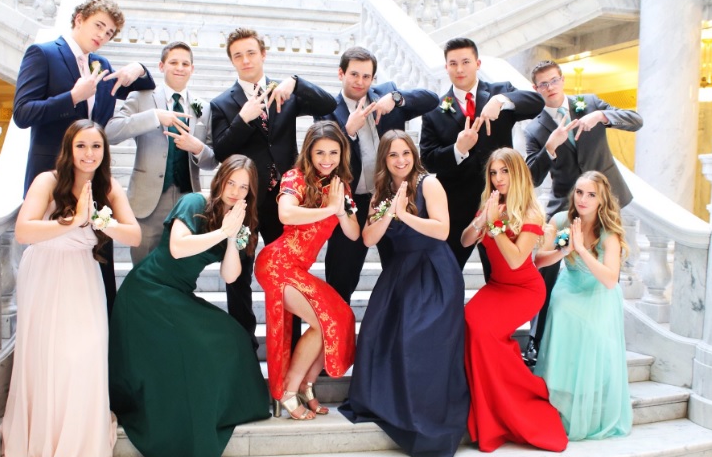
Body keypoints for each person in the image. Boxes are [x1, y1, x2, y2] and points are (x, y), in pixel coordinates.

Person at [0, 119, 141, 457]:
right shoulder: (47, 181)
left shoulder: (109, 187)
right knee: (49, 355)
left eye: (96, 146)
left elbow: (135, 236)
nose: (88, 153)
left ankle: (78, 438)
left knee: (84, 354)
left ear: (104, 151)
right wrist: (72, 221)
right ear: (69, 148)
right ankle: (44, 438)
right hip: (45, 271)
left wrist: (102, 222)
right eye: (81, 146)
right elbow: (24, 231)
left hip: (83, 273)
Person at [108, 155, 271, 457]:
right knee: (198, 345)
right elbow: (178, 247)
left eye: (244, 187)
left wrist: (233, 239)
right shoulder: (194, 202)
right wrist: (222, 232)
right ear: (220, 179)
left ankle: (230, 407)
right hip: (148, 290)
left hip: (177, 294)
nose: (235, 191)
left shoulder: (240, 223)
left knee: (233, 336)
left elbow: (230, 276)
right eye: (231, 182)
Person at [13, 0, 155, 314]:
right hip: (54, 180)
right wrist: (72, 97)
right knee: (54, 276)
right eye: (98, 26)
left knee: (100, 271)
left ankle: (100, 338)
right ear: (79, 18)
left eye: (109, 33)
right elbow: (22, 113)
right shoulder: (43, 54)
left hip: (93, 180)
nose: (102, 35)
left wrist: (139, 68)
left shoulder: (101, 66)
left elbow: (145, 83)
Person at [339, 131, 469, 457]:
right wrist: (387, 213)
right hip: (400, 269)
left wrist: (405, 214)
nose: (400, 160)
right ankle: (389, 401)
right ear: (384, 159)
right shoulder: (380, 193)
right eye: (393, 155)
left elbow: (442, 230)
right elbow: (368, 238)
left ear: (414, 155)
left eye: (406, 153)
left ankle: (423, 409)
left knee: (416, 335)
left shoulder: (429, 184)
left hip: (434, 269)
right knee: (376, 330)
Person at [211, 27, 336, 350]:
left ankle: (289, 349)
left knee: (288, 275)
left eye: (251, 53)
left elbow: (328, 102)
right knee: (239, 276)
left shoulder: (284, 92)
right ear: (232, 61)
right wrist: (242, 119)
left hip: (284, 202)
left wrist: (296, 81)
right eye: (238, 55)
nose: (245, 60)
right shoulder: (222, 103)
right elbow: (220, 152)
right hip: (245, 203)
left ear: (263, 55)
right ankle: (244, 348)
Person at [524, 59, 642, 356]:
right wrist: (550, 147)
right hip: (566, 205)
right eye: (543, 84)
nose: (550, 87)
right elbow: (532, 177)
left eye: (553, 80)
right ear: (536, 89)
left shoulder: (588, 103)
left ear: (562, 79)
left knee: (608, 263)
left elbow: (636, 120)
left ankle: (604, 336)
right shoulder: (535, 128)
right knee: (548, 267)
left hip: (605, 201)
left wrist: (602, 116)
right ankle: (537, 338)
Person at [459, 147, 567, 453]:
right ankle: (488, 400)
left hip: (524, 291)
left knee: (484, 333)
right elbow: (465, 241)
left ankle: (521, 395)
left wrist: (494, 226)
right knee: (468, 322)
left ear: (517, 173)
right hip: (497, 286)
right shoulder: (491, 205)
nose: (498, 178)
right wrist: (482, 221)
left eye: (504, 171)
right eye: (493, 172)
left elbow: (517, 259)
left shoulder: (530, 212)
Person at [315, 46, 438, 304]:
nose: (360, 82)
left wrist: (396, 98)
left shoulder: (386, 95)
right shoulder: (328, 110)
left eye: (366, 76)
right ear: (341, 73)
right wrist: (347, 132)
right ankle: (339, 327)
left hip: (391, 197)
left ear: (373, 78)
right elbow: (323, 160)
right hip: (351, 203)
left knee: (400, 272)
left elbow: (431, 99)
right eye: (354, 74)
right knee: (341, 278)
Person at [255, 121, 359, 420]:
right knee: (320, 320)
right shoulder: (295, 177)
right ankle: (289, 390)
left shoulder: (340, 187)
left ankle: (306, 385)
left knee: (342, 316)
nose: (327, 159)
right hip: (277, 264)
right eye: (320, 153)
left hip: (298, 269)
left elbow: (353, 233)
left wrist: (340, 209)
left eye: (333, 153)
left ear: (342, 154)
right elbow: (286, 213)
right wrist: (329, 209)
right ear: (309, 153)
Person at [420, 37, 543, 273]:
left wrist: (500, 101)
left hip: (502, 203)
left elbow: (536, 102)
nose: (459, 69)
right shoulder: (434, 110)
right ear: (446, 67)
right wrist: (458, 149)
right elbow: (428, 160)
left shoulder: (501, 92)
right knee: (447, 273)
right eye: (453, 63)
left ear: (477, 64)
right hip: (456, 207)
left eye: (465, 62)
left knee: (501, 272)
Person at [534, 171, 633, 441]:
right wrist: (563, 250)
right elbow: (539, 260)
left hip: (598, 292)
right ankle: (560, 401)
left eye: (591, 195)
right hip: (570, 285)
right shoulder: (561, 221)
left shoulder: (608, 232)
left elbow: (610, 280)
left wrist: (582, 249)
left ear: (601, 200)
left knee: (589, 326)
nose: (583, 199)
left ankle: (587, 405)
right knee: (562, 308)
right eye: (579, 192)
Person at [106, 41, 218, 264]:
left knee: (181, 269)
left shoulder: (203, 107)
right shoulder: (140, 98)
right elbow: (110, 132)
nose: (180, 68)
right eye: (173, 62)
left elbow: (212, 161)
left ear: (192, 69)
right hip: (148, 201)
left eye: (185, 63)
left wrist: (197, 147)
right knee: (143, 266)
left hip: (187, 202)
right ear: (161, 66)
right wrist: (154, 117)